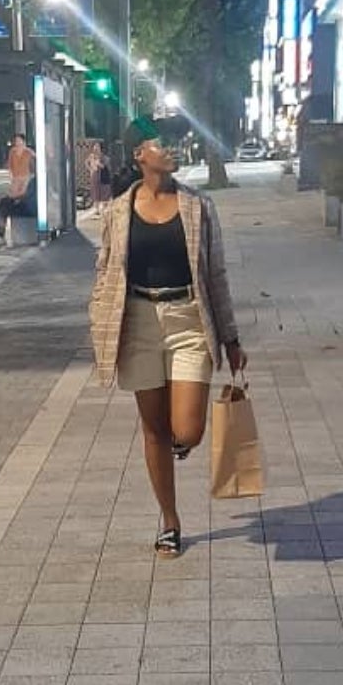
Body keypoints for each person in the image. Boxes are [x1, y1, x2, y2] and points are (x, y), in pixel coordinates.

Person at [89, 119, 247, 558]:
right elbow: (105, 270)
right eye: (161, 144)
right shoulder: (118, 211)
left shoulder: (198, 207)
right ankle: (171, 521)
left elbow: (215, 274)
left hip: (188, 322)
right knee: (154, 429)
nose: (171, 150)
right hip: (138, 322)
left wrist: (231, 338)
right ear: (140, 155)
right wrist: (97, 316)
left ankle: (184, 445)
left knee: (187, 429)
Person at [0, 132, 36, 239]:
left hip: (24, 189)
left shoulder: (29, 153)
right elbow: (10, 166)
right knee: (5, 202)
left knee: (5, 203)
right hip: (16, 181)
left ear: (23, 141)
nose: (17, 143)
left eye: (19, 140)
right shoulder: (12, 152)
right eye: (15, 141)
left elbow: (25, 193)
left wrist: (12, 195)